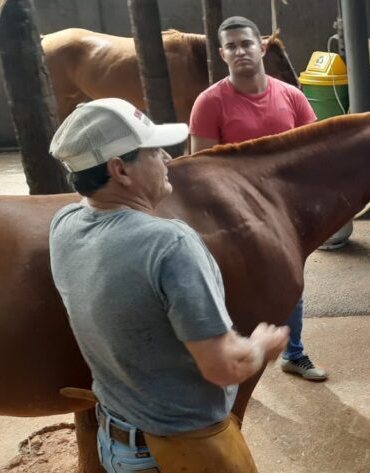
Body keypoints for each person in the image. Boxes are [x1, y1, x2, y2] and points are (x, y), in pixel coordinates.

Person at [48, 98, 289, 472]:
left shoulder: (64, 224)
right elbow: (223, 368)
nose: (166, 158)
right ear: (119, 170)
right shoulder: (169, 244)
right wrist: (260, 347)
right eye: (153, 150)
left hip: (116, 444)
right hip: (174, 455)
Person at [189, 16, 327, 382]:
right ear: (222, 54)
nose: (240, 51)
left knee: (290, 282)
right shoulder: (209, 102)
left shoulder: (291, 96)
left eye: (246, 44)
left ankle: (293, 353)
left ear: (261, 47)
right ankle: (232, 358)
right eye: (231, 46)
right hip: (230, 216)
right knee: (231, 287)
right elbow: (199, 168)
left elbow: (312, 152)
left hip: (284, 213)